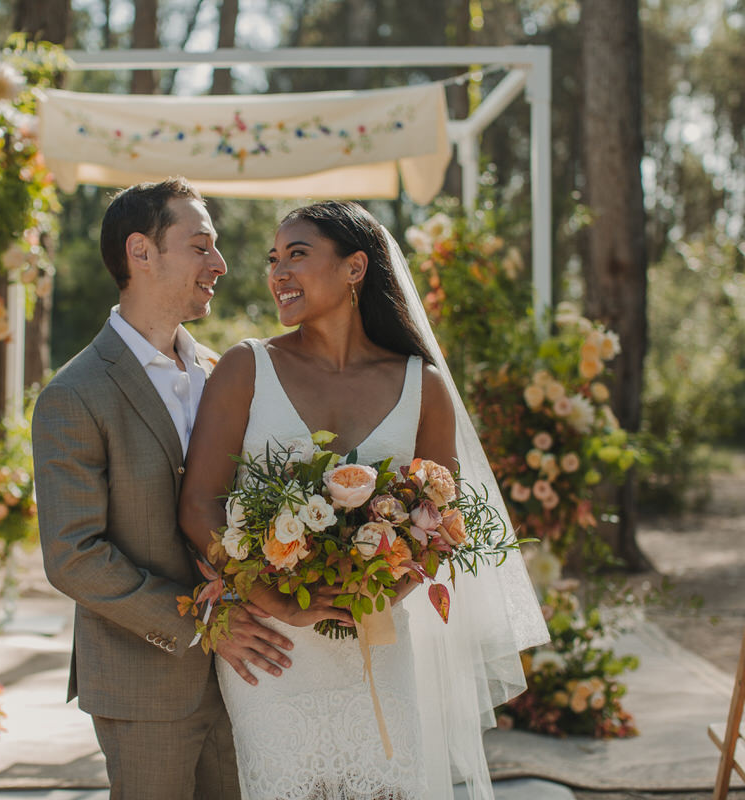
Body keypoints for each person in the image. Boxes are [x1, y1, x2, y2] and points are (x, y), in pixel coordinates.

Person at [179, 201, 548, 800]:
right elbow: (199, 507)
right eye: (273, 259)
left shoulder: (422, 385)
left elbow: (440, 523)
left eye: (297, 255)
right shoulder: (248, 366)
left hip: (377, 637)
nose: (278, 273)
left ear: (355, 268)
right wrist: (275, 599)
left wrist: (387, 584)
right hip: (272, 650)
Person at [32, 177, 293, 800]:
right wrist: (207, 622)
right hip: (142, 681)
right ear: (141, 253)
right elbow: (73, 556)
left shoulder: (221, 375)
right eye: (201, 245)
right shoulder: (73, 395)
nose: (221, 264)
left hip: (247, 678)